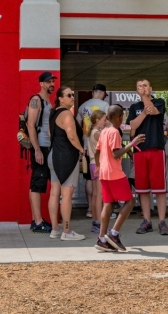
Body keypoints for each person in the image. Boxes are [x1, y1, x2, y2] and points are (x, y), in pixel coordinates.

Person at [95, 105, 144, 252]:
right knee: (130, 201)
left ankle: (102, 238)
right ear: (119, 117)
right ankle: (114, 233)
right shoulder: (115, 132)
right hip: (115, 173)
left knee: (108, 204)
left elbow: (98, 152)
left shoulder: (103, 132)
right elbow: (116, 154)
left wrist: (99, 166)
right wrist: (132, 143)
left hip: (104, 173)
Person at [125, 79, 168, 235]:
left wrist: (145, 99)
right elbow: (133, 125)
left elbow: (152, 110)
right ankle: (147, 221)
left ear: (151, 88)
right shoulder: (134, 107)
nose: (142, 88)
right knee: (142, 189)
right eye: (139, 86)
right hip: (140, 151)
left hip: (156, 149)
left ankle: (162, 221)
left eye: (145, 86)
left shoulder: (159, 102)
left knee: (159, 189)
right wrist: (143, 112)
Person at [48, 86, 87, 241]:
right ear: (60, 98)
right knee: (67, 195)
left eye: (73, 94)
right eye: (69, 95)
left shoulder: (53, 114)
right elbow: (71, 136)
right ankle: (67, 231)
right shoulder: (66, 114)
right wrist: (82, 150)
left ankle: (55, 229)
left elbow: (51, 134)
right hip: (66, 157)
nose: (72, 97)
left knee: (54, 193)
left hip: (54, 156)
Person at [26, 71, 56, 233]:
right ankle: (37, 221)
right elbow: (31, 125)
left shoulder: (47, 101)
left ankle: (37, 220)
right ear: (41, 84)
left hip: (47, 147)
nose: (52, 84)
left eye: (53, 81)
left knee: (41, 182)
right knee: (37, 184)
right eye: (48, 82)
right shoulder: (36, 100)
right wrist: (37, 149)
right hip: (41, 147)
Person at [77, 84, 109, 220]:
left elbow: (78, 126)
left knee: (88, 178)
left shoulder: (82, 107)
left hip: (85, 145)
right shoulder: (105, 106)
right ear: (102, 93)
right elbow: (109, 126)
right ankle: (99, 211)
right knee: (100, 187)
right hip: (99, 151)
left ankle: (90, 207)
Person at [87, 109, 109, 232]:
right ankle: (99, 223)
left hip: (92, 164)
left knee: (96, 195)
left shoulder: (91, 132)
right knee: (99, 195)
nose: (105, 122)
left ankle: (95, 222)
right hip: (98, 164)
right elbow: (107, 144)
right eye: (104, 120)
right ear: (97, 120)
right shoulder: (97, 133)